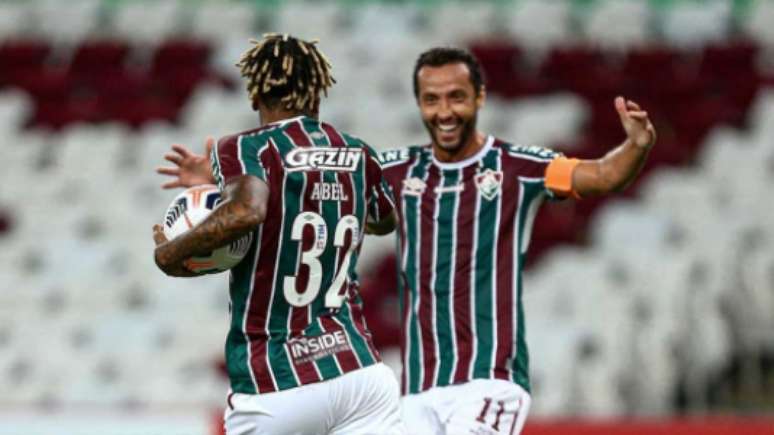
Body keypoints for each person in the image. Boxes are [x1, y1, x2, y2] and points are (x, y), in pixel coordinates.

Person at [159, 46, 656, 435]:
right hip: (416, 387)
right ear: (419, 103)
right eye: (432, 99)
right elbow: (310, 182)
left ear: (479, 99)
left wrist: (634, 147)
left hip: (489, 377)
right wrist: (224, 177)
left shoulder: (516, 165)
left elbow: (600, 176)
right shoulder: (390, 166)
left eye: (456, 97)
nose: (444, 110)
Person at [152, 34, 403, 435]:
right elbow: (384, 221)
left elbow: (248, 210)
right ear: (318, 91)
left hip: (276, 382)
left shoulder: (244, 148)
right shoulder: (358, 153)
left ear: (255, 96)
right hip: (359, 373)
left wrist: (170, 254)